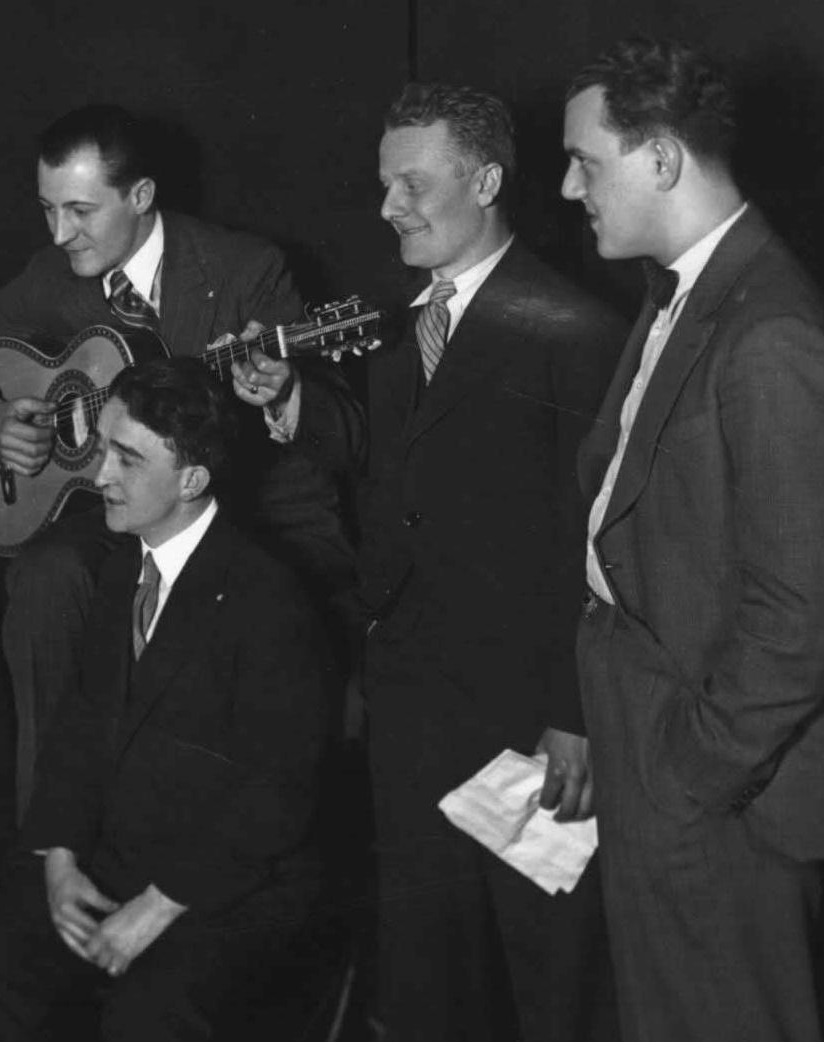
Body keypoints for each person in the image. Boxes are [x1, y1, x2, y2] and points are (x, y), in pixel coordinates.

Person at [0, 103, 358, 818]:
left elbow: (343, 431)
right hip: (121, 516)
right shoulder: (53, 276)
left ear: (141, 196)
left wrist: (285, 392)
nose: (60, 233)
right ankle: (50, 832)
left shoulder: (246, 269)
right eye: (48, 209)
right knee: (45, 580)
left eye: (81, 211)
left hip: (248, 514)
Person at [295, 83, 626, 1040]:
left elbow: (597, 544)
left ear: (484, 182)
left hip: (532, 729)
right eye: (384, 184)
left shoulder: (577, 331)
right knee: (431, 982)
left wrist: (574, 716)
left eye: (411, 183)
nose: (387, 206)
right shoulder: (400, 333)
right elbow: (397, 496)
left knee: (550, 979)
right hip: (413, 718)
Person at [564, 38, 824, 1041]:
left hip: (715, 786)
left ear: (662, 158)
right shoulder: (684, 291)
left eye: (585, 162)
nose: (569, 187)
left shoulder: (771, 333)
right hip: (648, 730)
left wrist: (689, 775)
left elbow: (800, 618)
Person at [0, 358, 332, 1040]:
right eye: (103, 449)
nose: (100, 475)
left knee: (145, 1020)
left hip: (228, 885)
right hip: (123, 858)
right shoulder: (122, 565)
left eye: (126, 459)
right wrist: (60, 860)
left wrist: (158, 907)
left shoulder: (269, 599)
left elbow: (274, 802)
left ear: (191, 480)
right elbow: (77, 732)